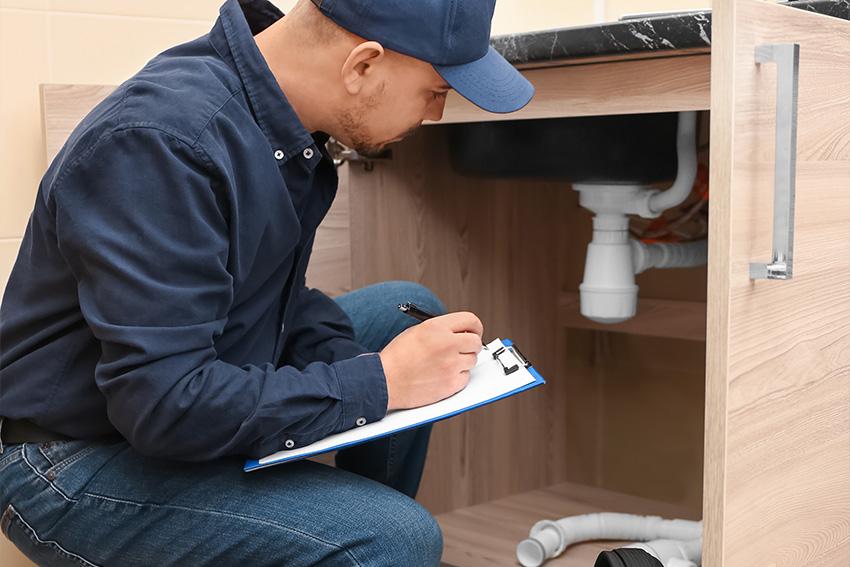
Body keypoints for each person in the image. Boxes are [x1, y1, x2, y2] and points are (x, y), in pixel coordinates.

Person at [0, 0, 534, 564]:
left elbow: (274, 300)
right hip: (71, 460)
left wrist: (374, 373)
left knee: (406, 311)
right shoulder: (162, 144)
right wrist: (381, 383)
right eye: (435, 91)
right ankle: (370, 543)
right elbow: (165, 405)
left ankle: (342, 541)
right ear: (362, 66)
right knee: (398, 535)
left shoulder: (276, 121)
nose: (436, 116)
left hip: (175, 393)